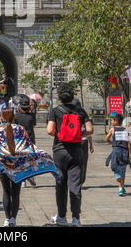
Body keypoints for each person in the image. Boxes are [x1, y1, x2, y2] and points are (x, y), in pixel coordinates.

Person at [0, 108, 58, 227]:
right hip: (19, 165)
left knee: (6, 192)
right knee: (16, 193)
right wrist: (41, 156)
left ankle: (7, 219)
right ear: (13, 117)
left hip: (3, 165)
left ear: (1, 117)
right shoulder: (20, 129)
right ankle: (13, 219)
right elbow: (28, 146)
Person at [47, 83, 93, 227]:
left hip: (60, 151)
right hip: (76, 151)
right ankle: (76, 218)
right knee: (75, 185)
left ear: (60, 96)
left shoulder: (55, 111)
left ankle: (61, 216)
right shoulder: (80, 111)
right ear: (73, 96)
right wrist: (78, 135)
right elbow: (90, 130)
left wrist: (60, 135)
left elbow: (49, 130)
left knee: (60, 184)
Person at [105, 112, 131, 196]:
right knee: (123, 170)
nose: (111, 122)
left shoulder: (112, 129)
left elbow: (106, 139)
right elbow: (128, 143)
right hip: (125, 153)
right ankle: (122, 187)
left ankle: (120, 188)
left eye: (112, 120)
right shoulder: (126, 129)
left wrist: (113, 143)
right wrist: (130, 154)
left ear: (115, 121)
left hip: (116, 152)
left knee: (116, 169)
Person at [14, 95, 37, 187]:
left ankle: (23, 179)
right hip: (30, 138)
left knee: (20, 158)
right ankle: (30, 175)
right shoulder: (32, 116)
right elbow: (34, 125)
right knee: (30, 157)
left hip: (19, 139)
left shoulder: (16, 116)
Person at [73, 99, 94, 185]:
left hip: (73, 142)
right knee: (83, 162)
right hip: (83, 141)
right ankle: (81, 180)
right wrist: (91, 145)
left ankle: (75, 180)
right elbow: (89, 131)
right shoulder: (83, 114)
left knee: (74, 162)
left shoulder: (69, 114)